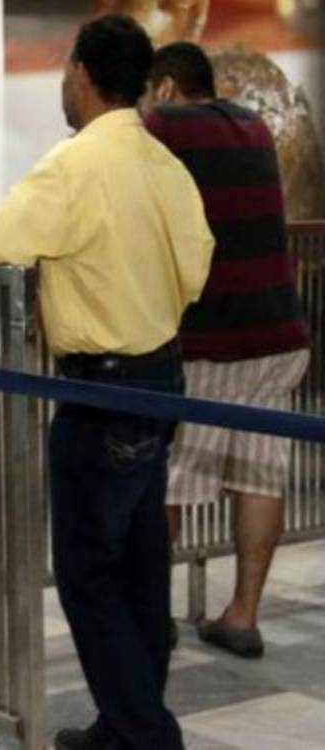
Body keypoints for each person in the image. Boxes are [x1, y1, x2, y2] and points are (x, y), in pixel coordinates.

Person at [0, 14, 213, 750]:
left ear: (80, 74)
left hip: (98, 392)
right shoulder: (163, 162)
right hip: (159, 378)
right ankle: (123, 726)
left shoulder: (74, 165)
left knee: (87, 576)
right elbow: (196, 268)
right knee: (139, 565)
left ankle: (144, 732)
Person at [143, 41, 310, 659]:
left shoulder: (162, 125)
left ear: (162, 87)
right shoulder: (254, 125)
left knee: (173, 481)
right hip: (279, 332)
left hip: (211, 338)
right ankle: (242, 615)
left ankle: (149, 615)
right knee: (260, 473)